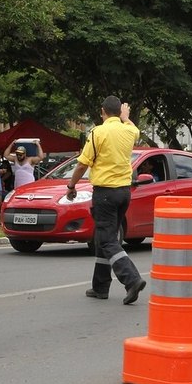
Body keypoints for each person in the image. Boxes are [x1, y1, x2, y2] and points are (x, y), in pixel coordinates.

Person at [65, 96, 146, 305]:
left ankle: (132, 279)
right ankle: (100, 286)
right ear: (119, 112)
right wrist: (125, 118)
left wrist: (71, 186)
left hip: (105, 193)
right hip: (124, 193)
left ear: (102, 111)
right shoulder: (129, 130)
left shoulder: (98, 132)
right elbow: (135, 129)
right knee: (105, 237)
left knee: (108, 239)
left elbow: (83, 164)